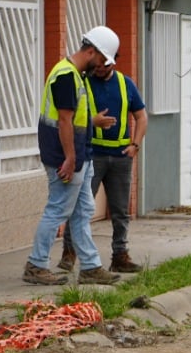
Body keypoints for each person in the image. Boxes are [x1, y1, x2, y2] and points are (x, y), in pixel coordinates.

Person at [23, 27, 124, 286]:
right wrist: (69, 159)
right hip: (66, 157)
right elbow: (65, 122)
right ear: (91, 51)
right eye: (102, 60)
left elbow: (72, 120)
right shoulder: (67, 76)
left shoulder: (74, 75)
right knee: (58, 209)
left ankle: (90, 267)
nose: (101, 67)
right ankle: (36, 265)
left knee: (81, 212)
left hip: (79, 155)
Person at [58, 48, 148, 274]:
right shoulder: (82, 82)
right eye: (98, 65)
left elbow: (141, 115)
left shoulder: (125, 84)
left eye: (105, 65)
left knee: (120, 210)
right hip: (92, 156)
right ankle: (69, 255)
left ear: (114, 62)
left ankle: (120, 255)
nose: (99, 68)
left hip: (121, 157)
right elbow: (69, 117)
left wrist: (135, 145)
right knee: (80, 208)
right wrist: (93, 121)